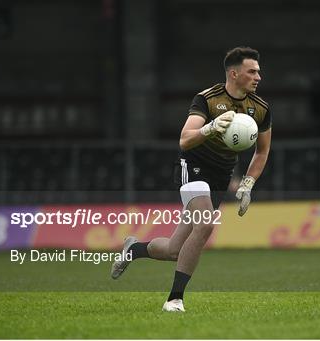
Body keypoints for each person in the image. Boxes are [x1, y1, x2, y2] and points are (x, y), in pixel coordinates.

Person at [110, 46, 272, 312]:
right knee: (206, 224)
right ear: (233, 73)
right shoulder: (207, 99)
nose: (258, 77)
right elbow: (185, 139)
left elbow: (262, 151)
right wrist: (209, 128)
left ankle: (134, 249)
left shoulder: (261, 108)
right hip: (193, 166)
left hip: (221, 174)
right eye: (252, 71)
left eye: (258, 71)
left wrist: (247, 184)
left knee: (175, 250)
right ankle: (175, 299)